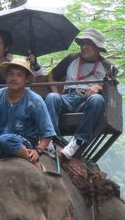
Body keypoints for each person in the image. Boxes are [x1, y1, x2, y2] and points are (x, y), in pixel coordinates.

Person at [45, 28, 115, 159]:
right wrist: (57, 93)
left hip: (87, 101)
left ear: (98, 48)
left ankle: (77, 141)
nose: (84, 47)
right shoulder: (72, 58)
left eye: (89, 44)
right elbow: (51, 76)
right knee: (51, 98)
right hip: (68, 97)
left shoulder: (107, 65)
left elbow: (113, 88)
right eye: (83, 43)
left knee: (97, 100)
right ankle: (51, 138)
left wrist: (99, 87)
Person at [0, 58, 55, 163]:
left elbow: (47, 131)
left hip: (24, 143)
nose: (14, 78)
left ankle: (28, 157)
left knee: (5, 139)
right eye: (11, 74)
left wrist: (38, 150)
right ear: (6, 77)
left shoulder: (35, 100)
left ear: (26, 79)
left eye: (19, 75)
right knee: (1, 141)